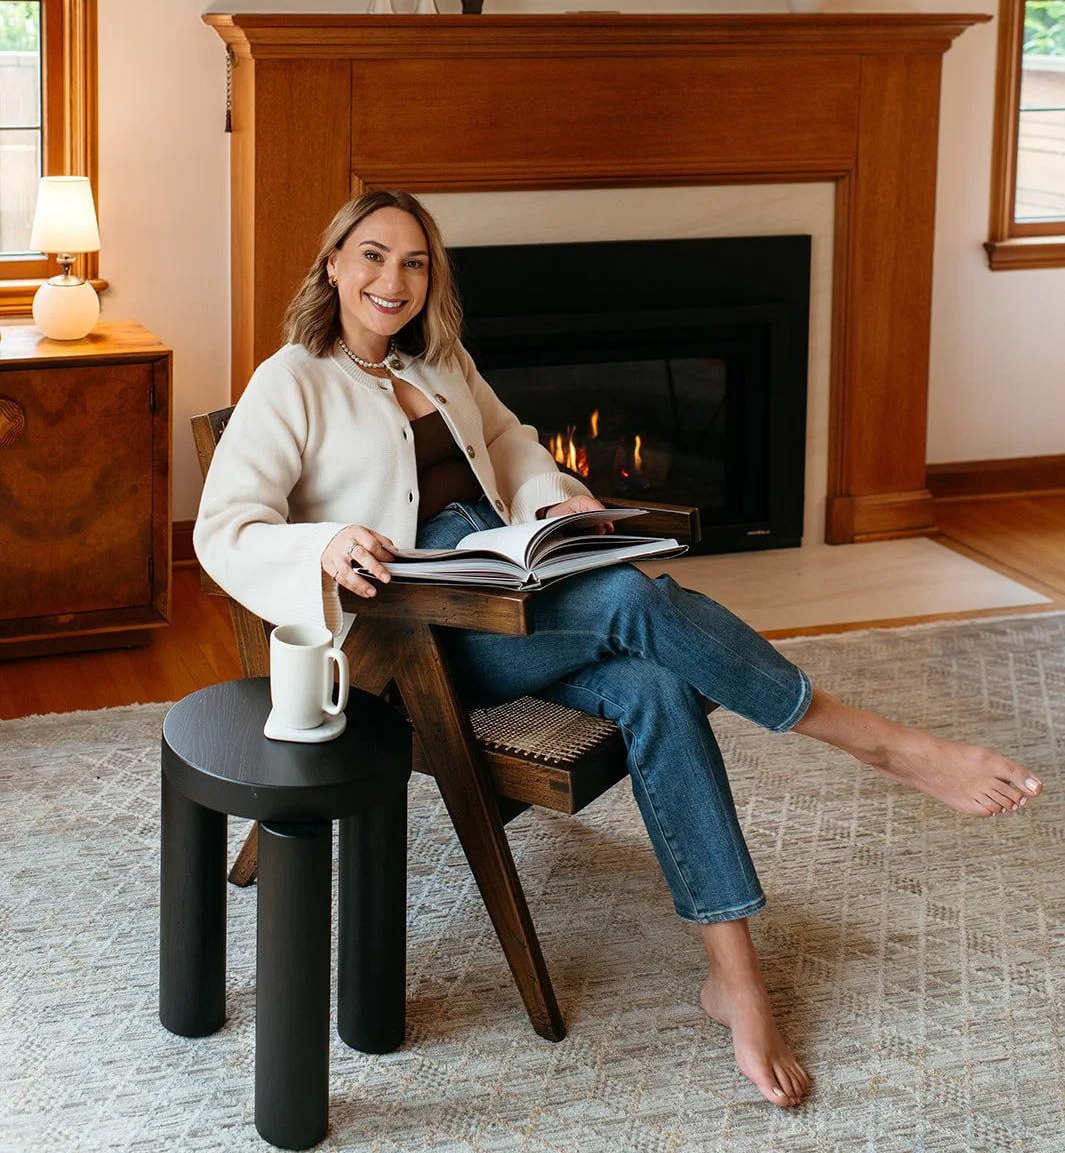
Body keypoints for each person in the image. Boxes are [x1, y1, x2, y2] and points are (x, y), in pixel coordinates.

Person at [195, 189, 1044, 1109]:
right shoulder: (293, 379)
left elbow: (511, 444)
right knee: (627, 599)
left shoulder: (438, 360)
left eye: (413, 262)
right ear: (332, 265)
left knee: (651, 685)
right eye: (370, 256)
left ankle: (735, 979)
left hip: (513, 588)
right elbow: (224, 529)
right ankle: (877, 742)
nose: (391, 280)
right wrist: (319, 546)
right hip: (420, 647)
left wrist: (552, 500)